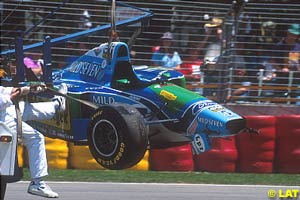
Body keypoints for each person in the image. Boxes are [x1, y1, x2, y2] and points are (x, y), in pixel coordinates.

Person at [0, 83, 67, 198]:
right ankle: (37, 183)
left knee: (26, 107)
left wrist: (28, 89)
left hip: (5, 112)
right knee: (36, 138)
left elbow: (3, 90)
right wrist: (16, 94)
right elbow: (3, 100)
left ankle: (57, 104)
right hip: (2, 120)